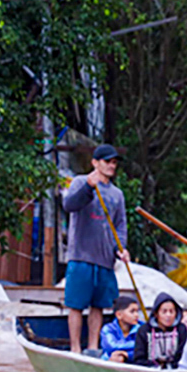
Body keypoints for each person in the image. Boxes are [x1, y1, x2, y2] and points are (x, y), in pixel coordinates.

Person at [61, 143, 130, 354]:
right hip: (81, 256)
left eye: (114, 162)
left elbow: (120, 225)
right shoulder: (80, 182)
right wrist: (89, 187)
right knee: (75, 304)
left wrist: (121, 248)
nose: (111, 166)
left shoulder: (117, 194)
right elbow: (69, 205)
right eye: (107, 162)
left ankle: (92, 347)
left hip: (104, 258)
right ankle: (75, 348)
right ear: (94, 163)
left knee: (99, 305)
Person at [133, 292, 187, 368]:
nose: (168, 315)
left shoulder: (181, 329)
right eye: (164, 312)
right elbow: (139, 358)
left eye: (171, 311)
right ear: (156, 313)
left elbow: (183, 356)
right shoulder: (144, 330)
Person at [100, 296, 140, 363]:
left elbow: (145, 351)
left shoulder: (142, 329)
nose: (136, 315)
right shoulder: (108, 329)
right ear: (119, 315)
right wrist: (137, 344)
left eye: (137, 311)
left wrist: (126, 355)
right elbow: (112, 347)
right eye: (132, 311)